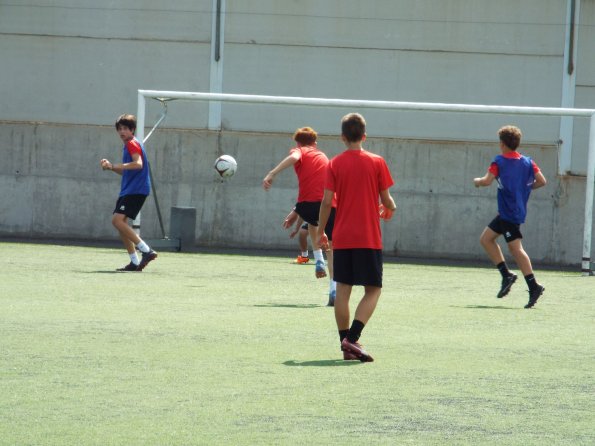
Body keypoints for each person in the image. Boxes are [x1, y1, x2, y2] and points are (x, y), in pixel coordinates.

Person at [318, 113, 396, 362]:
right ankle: (352, 339)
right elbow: (387, 201)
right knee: (373, 289)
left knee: (343, 289)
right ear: (364, 136)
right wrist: (390, 208)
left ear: (342, 137)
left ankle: (346, 346)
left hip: (342, 236)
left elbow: (327, 201)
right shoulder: (377, 162)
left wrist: (320, 232)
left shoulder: (335, 164)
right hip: (368, 237)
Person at [473, 125, 546, 308]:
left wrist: (477, 182)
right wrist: (524, 189)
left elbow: (487, 180)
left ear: (502, 144)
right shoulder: (528, 162)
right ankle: (506, 275)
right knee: (486, 239)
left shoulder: (499, 161)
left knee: (516, 249)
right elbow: (542, 181)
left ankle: (533, 285)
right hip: (509, 212)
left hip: (509, 213)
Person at [263, 127, 337, 305]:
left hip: (307, 205)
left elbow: (295, 158)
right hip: (329, 203)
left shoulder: (299, 151)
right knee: (332, 249)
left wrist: (272, 173)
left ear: (297, 143)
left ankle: (317, 258)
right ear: (315, 143)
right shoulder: (323, 157)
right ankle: (334, 289)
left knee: (312, 222)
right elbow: (322, 187)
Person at [100, 114, 157, 272]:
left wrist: (116, 164)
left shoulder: (132, 143)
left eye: (125, 128)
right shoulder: (129, 145)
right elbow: (128, 172)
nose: (122, 132)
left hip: (136, 190)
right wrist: (111, 167)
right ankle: (134, 262)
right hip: (130, 189)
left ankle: (146, 250)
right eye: (119, 129)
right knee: (120, 224)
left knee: (117, 221)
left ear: (132, 130)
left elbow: (138, 164)